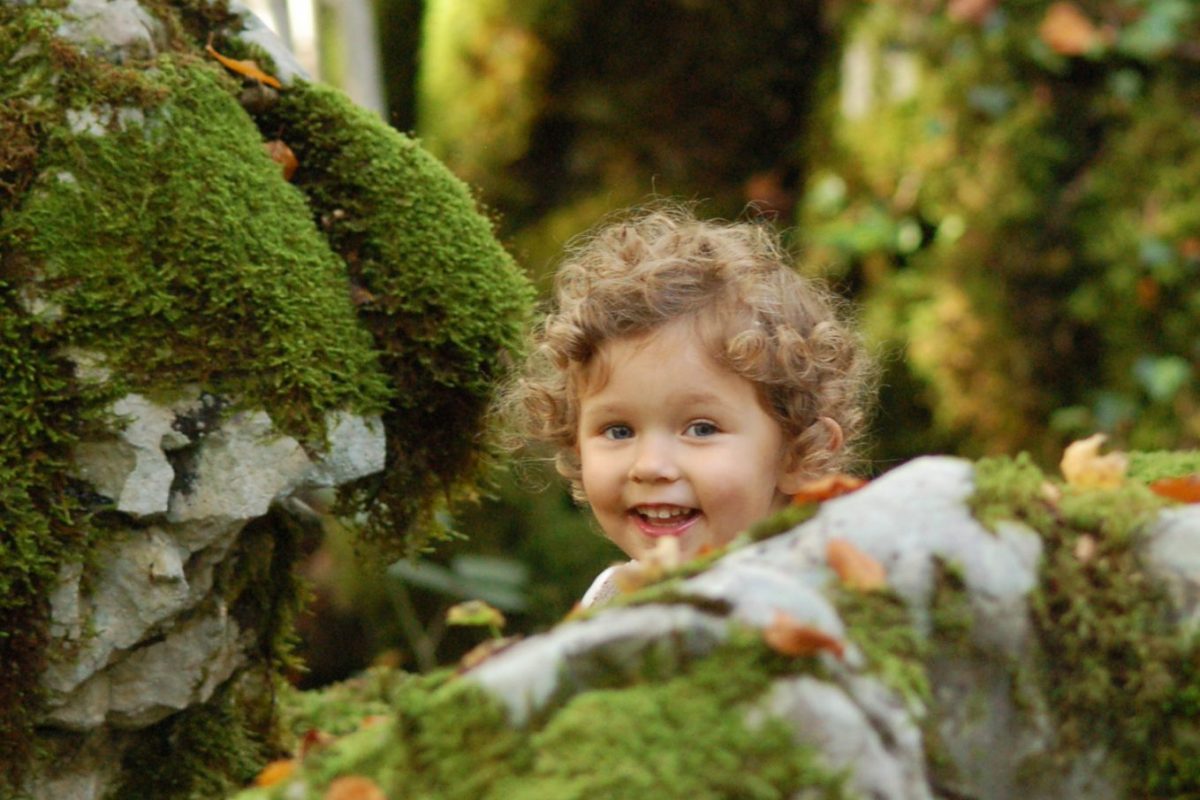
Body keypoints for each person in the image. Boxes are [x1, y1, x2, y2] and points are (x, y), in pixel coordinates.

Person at [506, 203, 874, 606]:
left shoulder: (834, 604)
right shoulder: (611, 601)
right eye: (619, 431)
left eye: (701, 429)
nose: (649, 466)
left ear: (799, 453)